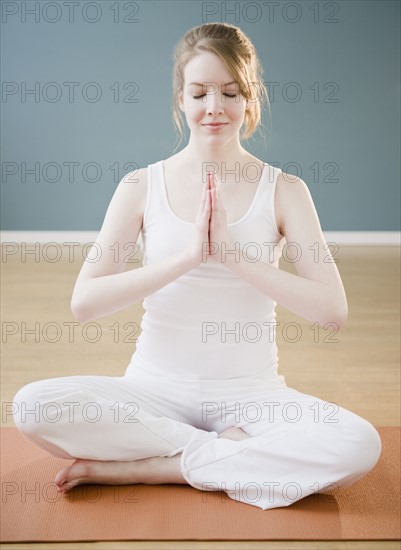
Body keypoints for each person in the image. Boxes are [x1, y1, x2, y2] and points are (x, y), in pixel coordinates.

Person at [12, 22, 382, 511]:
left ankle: (159, 467)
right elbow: (85, 303)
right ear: (180, 100)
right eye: (200, 92)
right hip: (154, 394)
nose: (214, 107)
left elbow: (332, 311)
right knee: (31, 406)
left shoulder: (287, 190)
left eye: (230, 92)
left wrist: (232, 256)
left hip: (251, 398)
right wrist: (189, 257)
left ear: (250, 99)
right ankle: (217, 454)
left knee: (359, 444)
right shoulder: (139, 186)